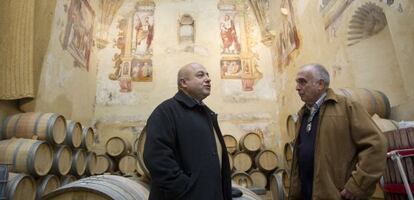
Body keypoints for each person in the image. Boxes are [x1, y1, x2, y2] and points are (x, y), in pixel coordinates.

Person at [289, 63, 387, 200]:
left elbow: (376, 145)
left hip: (335, 195)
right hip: (307, 194)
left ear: (320, 85)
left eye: (302, 82)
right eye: (297, 82)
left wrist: (357, 185)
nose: (297, 88)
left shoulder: (346, 107)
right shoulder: (303, 114)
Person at [143, 63, 232, 200]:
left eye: (208, 75)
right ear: (184, 83)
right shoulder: (166, 111)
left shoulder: (206, 113)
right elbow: (157, 158)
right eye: (200, 75)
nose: (208, 79)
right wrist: (186, 189)